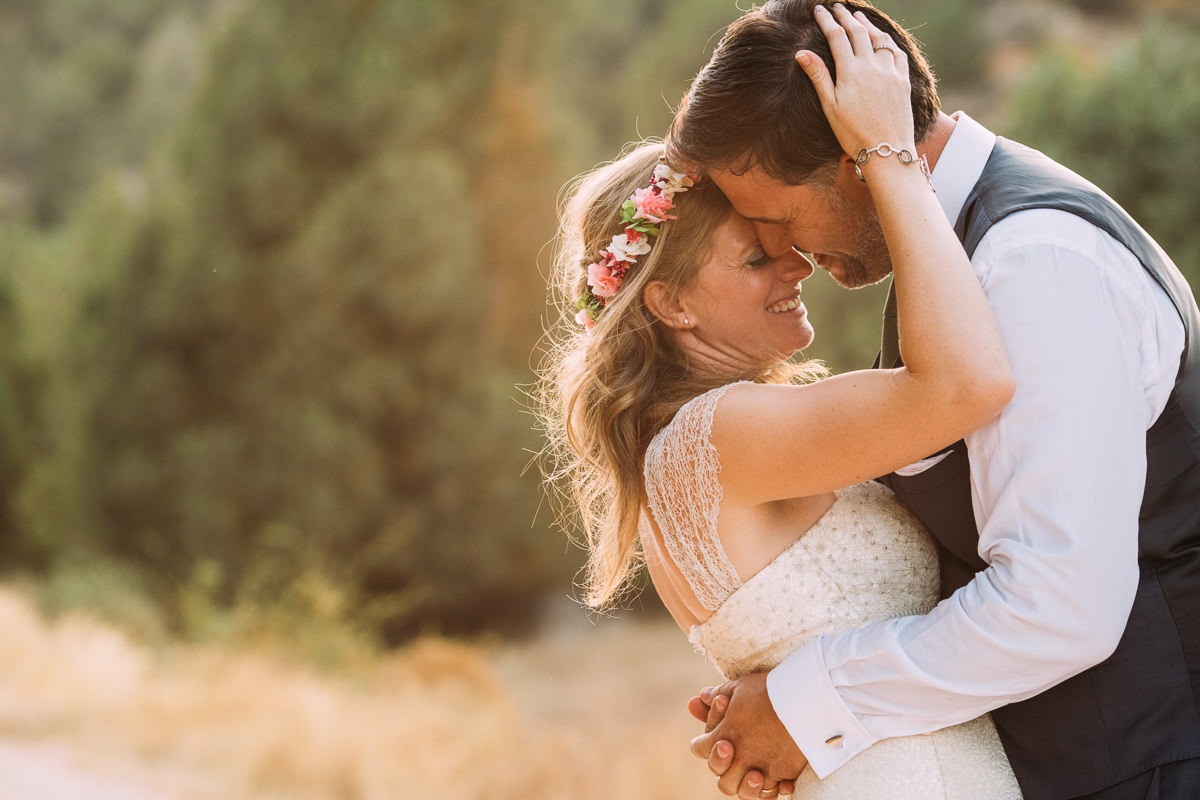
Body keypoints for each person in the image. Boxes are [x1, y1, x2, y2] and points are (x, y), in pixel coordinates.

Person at [667, 2, 1200, 799]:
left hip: (1153, 762)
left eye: (776, 217)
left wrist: (809, 703)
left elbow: (1062, 603)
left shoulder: (1029, 262)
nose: (786, 251)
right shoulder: (959, 258)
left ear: (855, 161)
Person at [538, 12, 1022, 799]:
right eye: (757, 253)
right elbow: (963, 386)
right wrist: (887, 155)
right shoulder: (723, 434)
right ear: (671, 305)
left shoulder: (692, 444)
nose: (795, 263)